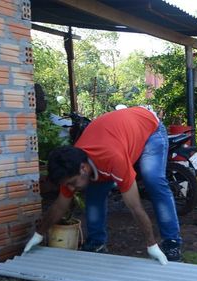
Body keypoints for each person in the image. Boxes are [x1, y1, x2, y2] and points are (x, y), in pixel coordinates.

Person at [24, 106, 183, 264]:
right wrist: (38, 234)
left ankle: (172, 242)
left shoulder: (114, 160)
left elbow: (135, 206)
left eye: (72, 184)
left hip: (149, 128)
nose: (71, 189)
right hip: (117, 135)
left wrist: (151, 244)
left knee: (153, 180)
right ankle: (96, 243)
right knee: (94, 193)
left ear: (84, 168)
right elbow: (59, 206)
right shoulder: (71, 166)